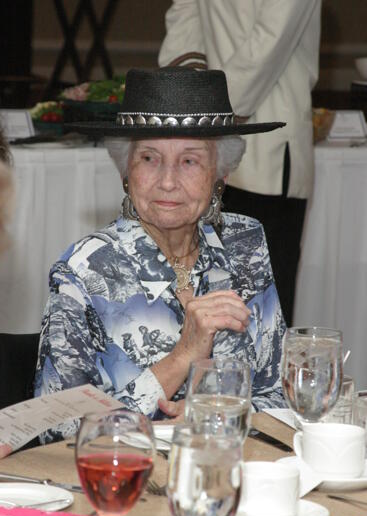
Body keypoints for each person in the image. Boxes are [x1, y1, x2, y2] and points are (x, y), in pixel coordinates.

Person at [34, 67, 287, 442]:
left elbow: (278, 393)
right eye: (150, 158)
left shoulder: (244, 243)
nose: (167, 181)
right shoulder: (82, 272)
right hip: (127, 482)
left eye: (190, 161)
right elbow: (54, 433)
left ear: (221, 173)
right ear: (126, 169)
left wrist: (218, 413)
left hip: (230, 470)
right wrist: (182, 357)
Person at [158, 0, 322, 326]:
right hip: (205, 145)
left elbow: (270, 41)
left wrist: (203, 109)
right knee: (198, 297)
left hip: (267, 150)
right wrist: (179, 100)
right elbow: (186, 18)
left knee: (262, 312)